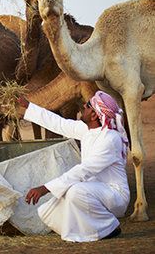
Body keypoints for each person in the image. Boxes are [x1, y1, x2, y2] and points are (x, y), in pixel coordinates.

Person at [20, 90, 129, 242]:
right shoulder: (87, 130)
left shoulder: (110, 139)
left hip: (115, 194)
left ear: (94, 115)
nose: (84, 106)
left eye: (89, 105)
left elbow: (84, 170)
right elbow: (59, 124)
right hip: (96, 190)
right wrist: (28, 106)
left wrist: (45, 188)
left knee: (75, 190)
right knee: (66, 194)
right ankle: (87, 230)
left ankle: (109, 227)